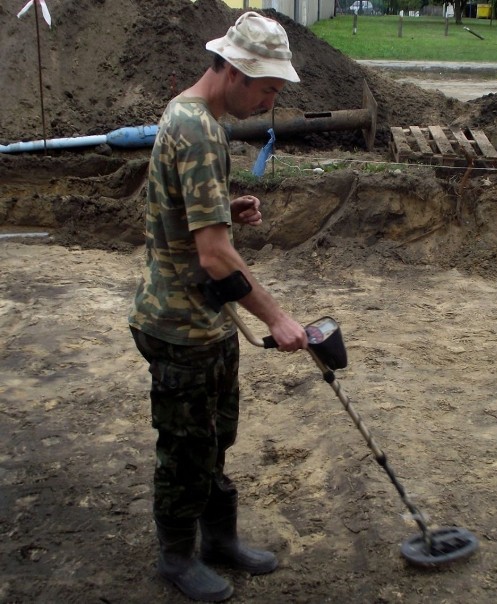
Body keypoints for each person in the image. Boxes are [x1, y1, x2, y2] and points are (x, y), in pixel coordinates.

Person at [128, 12, 307, 602]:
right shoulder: (201, 130)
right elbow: (213, 257)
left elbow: (184, 215)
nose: (269, 101)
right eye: (267, 89)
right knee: (186, 448)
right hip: (182, 325)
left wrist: (226, 207)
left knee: (213, 436)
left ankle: (219, 542)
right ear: (234, 71)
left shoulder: (187, 113)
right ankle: (177, 557)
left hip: (201, 320)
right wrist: (277, 318)